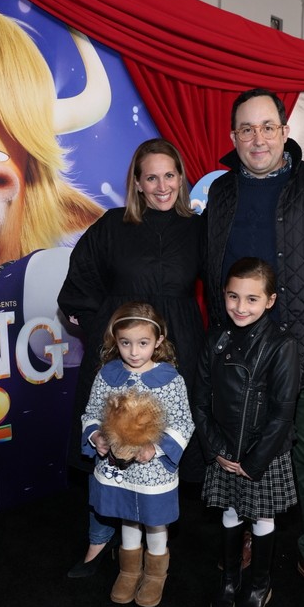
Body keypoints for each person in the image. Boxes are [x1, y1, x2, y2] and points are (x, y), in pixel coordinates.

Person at [204, 88, 304, 607]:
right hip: (236, 364)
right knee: (246, 454)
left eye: (267, 126)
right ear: (233, 137)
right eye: (246, 129)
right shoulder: (222, 193)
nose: (258, 138)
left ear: (284, 131)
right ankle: (253, 536)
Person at [58, 138, 206, 577]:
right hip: (118, 355)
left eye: (169, 175)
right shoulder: (111, 225)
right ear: (137, 184)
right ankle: (99, 539)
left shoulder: (199, 229)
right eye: (151, 177)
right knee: (109, 438)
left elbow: (220, 290)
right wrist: (107, 332)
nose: (161, 185)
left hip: (179, 348)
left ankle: (155, 545)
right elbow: (78, 285)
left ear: (180, 179)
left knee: (163, 441)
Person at [193, 258, 300, 607]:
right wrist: (216, 449)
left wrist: (253, 462)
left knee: (262, 518)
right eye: (233, 297)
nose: (240, 307)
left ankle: (259, 584)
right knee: (230, 511)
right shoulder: (215, 339)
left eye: (252, 299)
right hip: (225, 451)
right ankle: (229, 579)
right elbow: (200, 400)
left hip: (262, 455)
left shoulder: (282, 345)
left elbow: (283, 412)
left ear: (269, 301)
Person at [81, 301, 194, 607]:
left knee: (155, 522)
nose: (133, 351)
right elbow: (91, 413)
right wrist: (96, 437)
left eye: (143, 343)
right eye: (125, 343)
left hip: (153, 471)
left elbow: (184, 422)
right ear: (114, 341)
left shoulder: (170, 379)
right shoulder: (108, 375)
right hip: (118, 470)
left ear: (158, 341)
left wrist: (154, 448)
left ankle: (156, 574)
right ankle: (129, 571)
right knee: (127, 519)